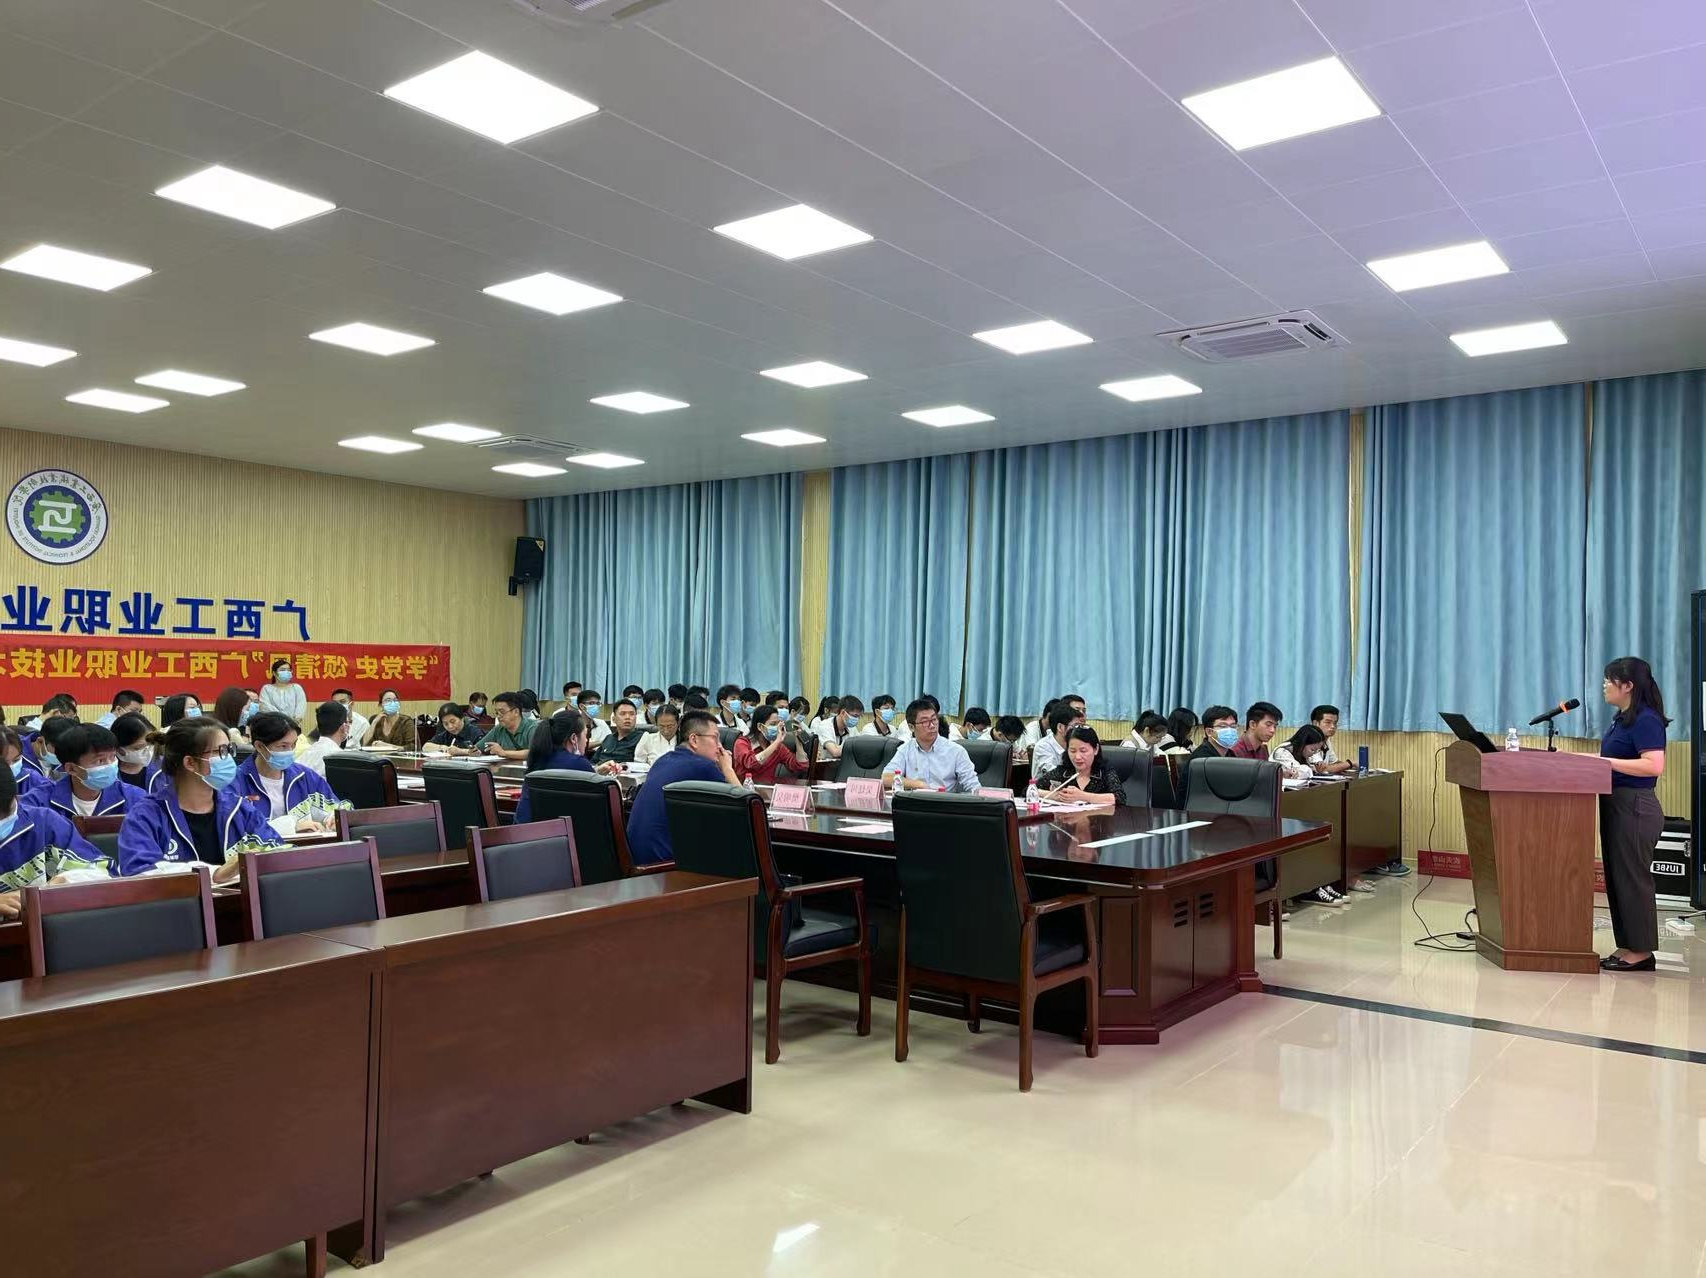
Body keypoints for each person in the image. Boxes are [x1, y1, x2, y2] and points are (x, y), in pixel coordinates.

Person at [116, 718, 283, 878]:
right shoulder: (146, 815)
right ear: (190, 762)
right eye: (220, 752)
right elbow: (138, 872)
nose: (229, 759)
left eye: (229, 749)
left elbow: (278, 852)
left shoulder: (239, 808)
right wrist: (212, 873)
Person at [1597, 656, 1670, 972]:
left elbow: (1654, 765)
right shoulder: (1622, 718)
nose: (1604, 685)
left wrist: (1604, 763)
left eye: (1609, 680)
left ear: (1627, 686)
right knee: (1619, 879)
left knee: (1633, 879)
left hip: (1635, 807)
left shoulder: (1646, 719)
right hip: (1617, 804)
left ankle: (1641, 951)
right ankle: (1628, 945)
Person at [626, 709, 740, 865]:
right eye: (715, 738)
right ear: (694, 740)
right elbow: (746, 809)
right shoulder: (704, 766)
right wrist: (727, 768)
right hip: (663, 865)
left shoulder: (662, 761)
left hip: (635, 859)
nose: (720, 746)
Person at [0, 765, 105, 916]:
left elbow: (100, 871)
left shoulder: (44, 823)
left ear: (15, 798)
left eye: (8, 813)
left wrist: (51, 889)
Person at [237, 712, 343, 832]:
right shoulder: (236, 782)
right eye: (283, 746)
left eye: (293, 745)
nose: (290, 751)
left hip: (307, 844)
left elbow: (337, 807)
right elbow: (235, 831)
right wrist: (291, 827)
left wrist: (335, 818)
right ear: (259, 746)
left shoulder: (304, 776)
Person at [22, 723, 129, 819]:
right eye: (100, 760)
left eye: (113, 756)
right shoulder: (38, 802)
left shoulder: (132, 797)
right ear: (71, 768)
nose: (110, 765)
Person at [514, 709, 597, 823]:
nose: (586, 740)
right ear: (574, 738)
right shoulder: (580, 764)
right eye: (585, 735)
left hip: (529, 831)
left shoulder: (538, 760)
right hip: (567, 831)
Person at [882, 700, 980, 793]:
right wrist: (919, 785)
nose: (932, 725)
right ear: (911, 727)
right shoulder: (905, 749)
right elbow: (886, 778)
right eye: (925, 722)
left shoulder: (956, 751)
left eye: (934, 719)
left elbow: (974, 788)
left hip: (944, 801)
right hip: (914, 802)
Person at [1035, 726, 1125, 808]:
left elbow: (1119, 798)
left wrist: (1082, 796)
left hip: (1098, 819)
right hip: (1068, 820)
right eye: (1073, 751)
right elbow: (1030, 790)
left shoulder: (1104, 771)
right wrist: (1053, 795)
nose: (1077, 757)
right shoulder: (1063, 772)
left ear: (1096, 749)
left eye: (1083, 751)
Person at [733, 705, 810, 786]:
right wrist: (776, 742)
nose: (777, 728)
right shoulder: (742, 743)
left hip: (768, 790)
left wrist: (798, 742)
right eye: (773, 724)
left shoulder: (778, 747)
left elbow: (800, 766)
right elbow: (752, 763)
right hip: (745, 790)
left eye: (778, 724)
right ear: (760, 726)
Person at [112, 712, 165, 795]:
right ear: (119, 749)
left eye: (151, 744)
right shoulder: (108, 775)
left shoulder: (165, 767)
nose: (147, 750)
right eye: (139, 747)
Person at [476, 692, 536, 761]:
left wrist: (504, 753)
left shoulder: (533, 728)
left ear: (516, 712)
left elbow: (535, 753)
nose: (498, 716)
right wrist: (473, 751)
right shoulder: (499, 729)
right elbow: (478, 747)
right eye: (497, 713)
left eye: (502, 712)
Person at [296, 701, 351, 776]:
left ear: (318, 727)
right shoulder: (341, 760)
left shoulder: (306, 754)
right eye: (348, 722)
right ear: (344, 727)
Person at [591, 699, 647, 769]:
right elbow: (593, 762)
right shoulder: (609, 738)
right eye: (623, 714)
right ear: (614, 719)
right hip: (599, 773)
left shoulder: (643, 738)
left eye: (631, 714)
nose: (627, 717)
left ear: (636, 718)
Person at [1032, 702, 1083, 778]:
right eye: (1075, 726)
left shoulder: (1075, 743)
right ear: (1060, 727)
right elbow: (1053, 775)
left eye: (1080, 726)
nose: (1079, 730)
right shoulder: (1043, 746)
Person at [1308, 705, 1356, 775]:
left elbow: (1334, 763)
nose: (1333, 726)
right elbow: (1321, 769)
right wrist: (1351, 763)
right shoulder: (1309, 740)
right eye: (1328, 722)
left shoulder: (1326, 740)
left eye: (1335, 723)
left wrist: (1353, 767)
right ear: (1316, 723)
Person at [636, 702, 681, 766]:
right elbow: (638, 764)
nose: (666, 731)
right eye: (661, 726)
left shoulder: (685, 741)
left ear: (678, 723)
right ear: (656, 724)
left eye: (670, 726)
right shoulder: (648, 739)